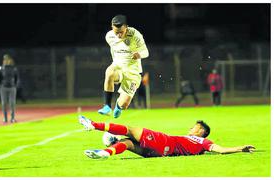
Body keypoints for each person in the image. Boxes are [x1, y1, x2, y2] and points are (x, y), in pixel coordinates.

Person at [78, 115, 255, 159]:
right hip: (161, 153)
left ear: (201, 131)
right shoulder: (199, 146)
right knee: (129, 143)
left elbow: (220, 150)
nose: (190, 128)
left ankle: (93, 125)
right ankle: (105, 153)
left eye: (194, 127)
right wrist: (240, 149)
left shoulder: (204, 141)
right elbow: (218, 151)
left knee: (130, 130)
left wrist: (239, 148)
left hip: (165, 141)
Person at [98, 14, 149, 118]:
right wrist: (115, 62)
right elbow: (114, 49)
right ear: (112, 28)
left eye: (121, 32)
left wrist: (139, 54)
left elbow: (146, 52)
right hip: (118, 67)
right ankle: (107, 106)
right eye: (117, 32)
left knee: (124, 104)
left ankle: (118, 105)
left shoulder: (135, 35)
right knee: (109, 72)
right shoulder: (109, 36)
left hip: (133, 71)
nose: (119, 35)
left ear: (126, 27)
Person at [0, 54, 19, 123]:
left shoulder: (14, 68)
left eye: (7, 59)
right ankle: (5, 118)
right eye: (4, 59)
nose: (6, 60)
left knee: (12, 103)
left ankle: (12, 118)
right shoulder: (1, 68)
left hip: (12, 87)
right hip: (3, 88)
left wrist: (15, 85)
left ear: (10, 60)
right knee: (4, 103)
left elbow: (16, 78)